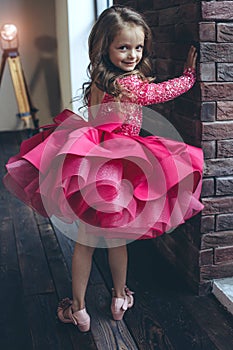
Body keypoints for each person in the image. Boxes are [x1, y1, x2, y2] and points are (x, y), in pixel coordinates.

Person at [3, 5, 204, 332]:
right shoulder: (130, 84)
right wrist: (188, 76)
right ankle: (119, 299)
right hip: (118, 170)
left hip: (90, 164)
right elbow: (161, 92)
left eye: (138, 47)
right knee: (116, 239)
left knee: (85, 240)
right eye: (123, 47)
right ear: (104, 46)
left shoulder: (100, 78)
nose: (132, 55)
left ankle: (79, 310)